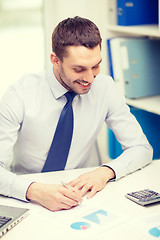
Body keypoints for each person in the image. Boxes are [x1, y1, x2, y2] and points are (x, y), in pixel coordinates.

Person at [0, 16, 152, 211]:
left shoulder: (105, 87)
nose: (89, 78)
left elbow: (141, 148)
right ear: (55, 60)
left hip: (87, 195)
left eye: (95, 66)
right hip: (28, 196)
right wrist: (33, 190)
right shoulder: (19, 94)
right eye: (79, 69)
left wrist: (105, 171)